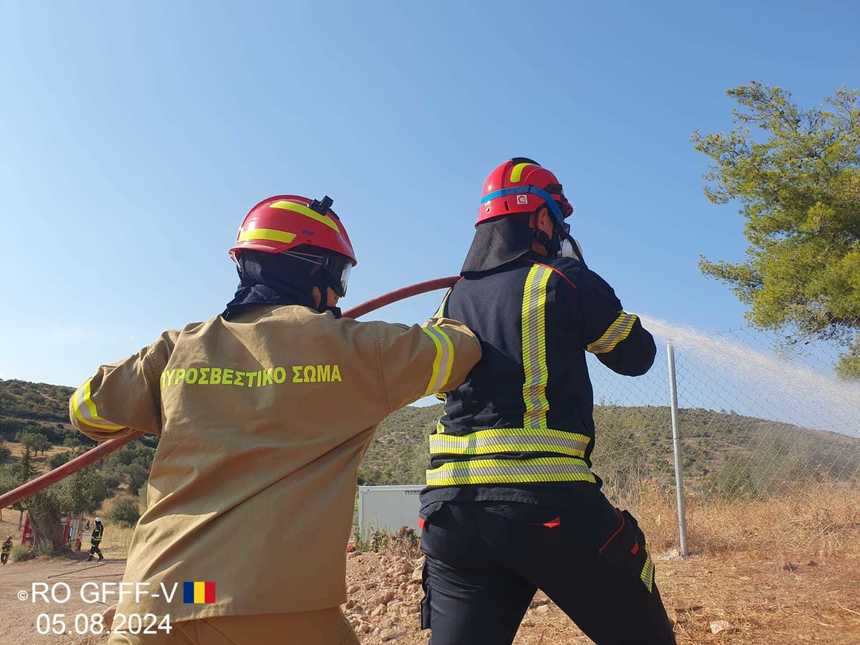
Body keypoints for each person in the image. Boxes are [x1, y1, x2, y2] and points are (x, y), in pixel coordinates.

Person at [69, 193, 480, 645]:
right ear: (311, 270)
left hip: (156, 599)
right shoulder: (358, 350)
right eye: (339, 275)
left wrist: (177, 399)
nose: (341, 292)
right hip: (272, 605)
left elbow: (86, 409)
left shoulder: (176, 348)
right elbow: (458, 350)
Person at [419, 159, 676, 644]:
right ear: (539, 218)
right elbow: (635, 357)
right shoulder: (562, 278)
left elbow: (439, 384)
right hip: (547, 502)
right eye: (558, 219)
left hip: (452, 512)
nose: (561, 231)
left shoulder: (449, 302)